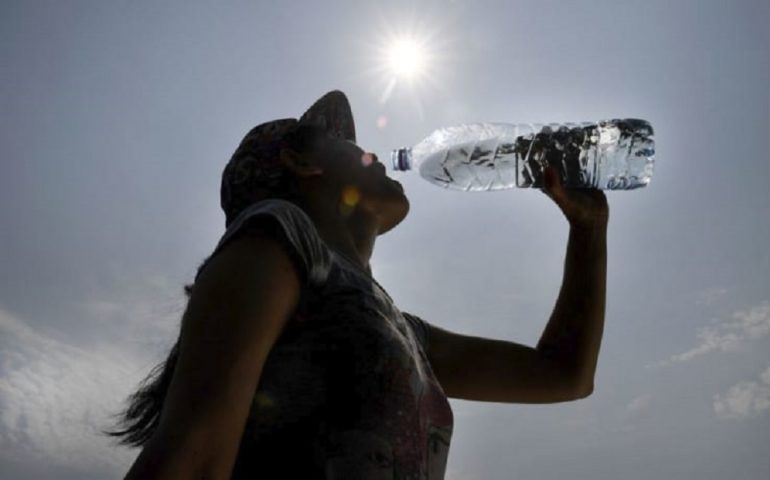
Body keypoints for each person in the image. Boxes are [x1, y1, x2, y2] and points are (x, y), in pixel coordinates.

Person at [107, 90, 609, 479]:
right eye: (351, 146)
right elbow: (192, 462)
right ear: (303, 163)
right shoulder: (278, 236)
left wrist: (588, 230)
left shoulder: (399, 329)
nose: (374, 154)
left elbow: (563, 375)